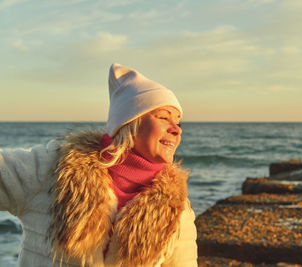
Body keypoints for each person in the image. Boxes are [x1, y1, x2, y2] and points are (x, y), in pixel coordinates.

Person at [0, 63, 198, 266]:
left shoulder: (177, 209)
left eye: (178, 121)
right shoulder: (51, 168)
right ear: (130, 123)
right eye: (164, 118)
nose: (177, 130)